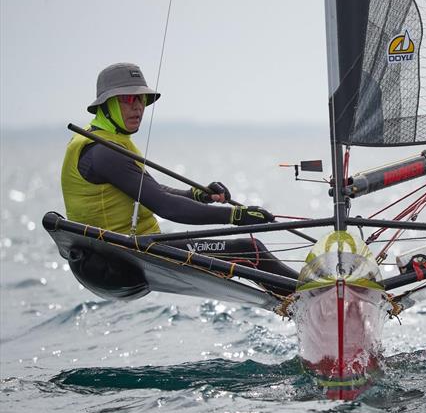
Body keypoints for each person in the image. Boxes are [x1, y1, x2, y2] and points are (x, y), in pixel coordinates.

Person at [61, 62, 297, 279]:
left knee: (248, 253)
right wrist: (235, 216)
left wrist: (196, 195)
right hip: (117, 258)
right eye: (127, 99)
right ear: (105, 105)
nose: (137, 107)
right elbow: (165, 206)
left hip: (130, 250)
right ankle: (310, 295)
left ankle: (292, 300)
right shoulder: (104, 152)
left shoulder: (108, 139)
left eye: (141, 99)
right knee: (251, 250)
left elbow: (150, 190)